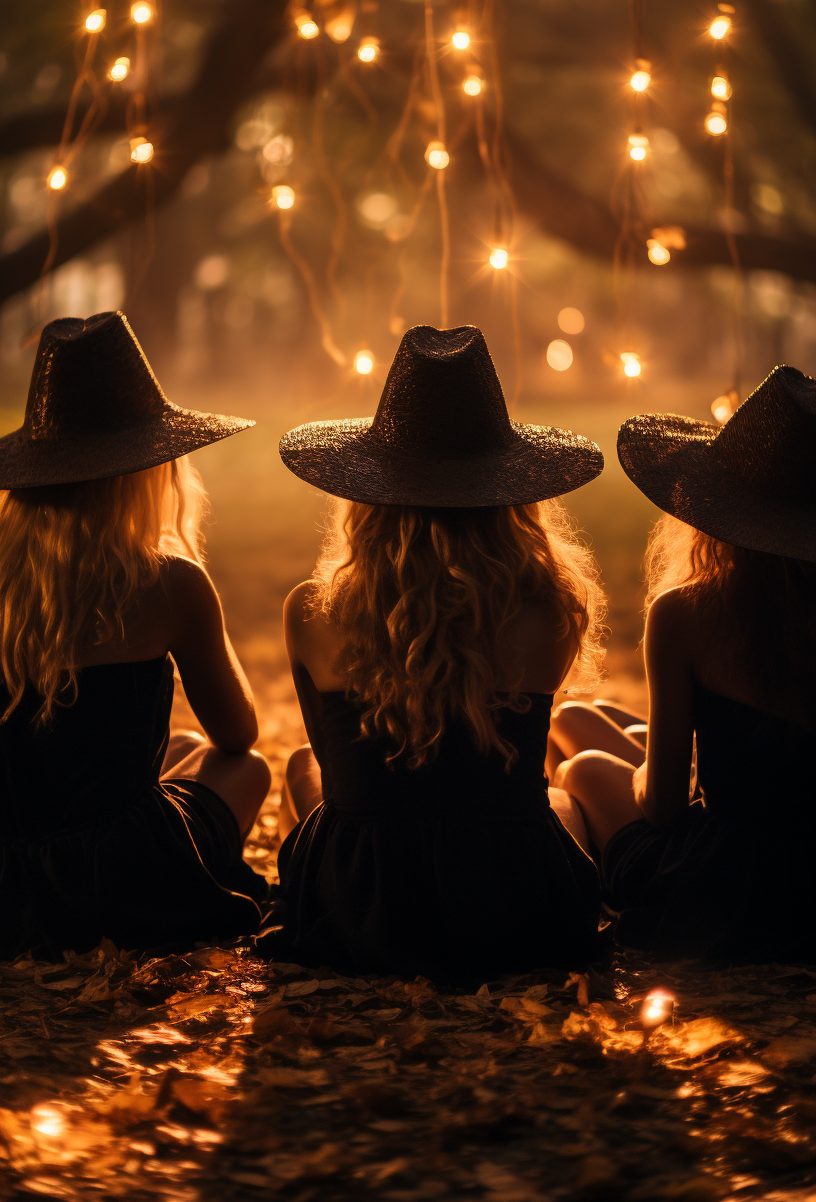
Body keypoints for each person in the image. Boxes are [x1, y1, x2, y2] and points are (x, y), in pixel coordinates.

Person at [269, 323, 608, 983]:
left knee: (302, 769)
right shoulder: (553, 611)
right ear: (512, 494)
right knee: (559, 802)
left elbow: (339, 775)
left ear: (368, 493)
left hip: (367, 905)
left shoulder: (311, 611)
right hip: (504, 901)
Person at [0, 311, 270, 959]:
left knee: (176, 744)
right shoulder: (170, 584)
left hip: (8, 873)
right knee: (247, 770)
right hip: (120, 873)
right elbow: (236, 734)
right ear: (150, 469)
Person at [549, 365, 816, 962]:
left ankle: (559, 885)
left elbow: (664, 809)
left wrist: (649, 772)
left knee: (586, 764)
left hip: (730, 881)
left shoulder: (690, 613)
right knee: (588, 720)